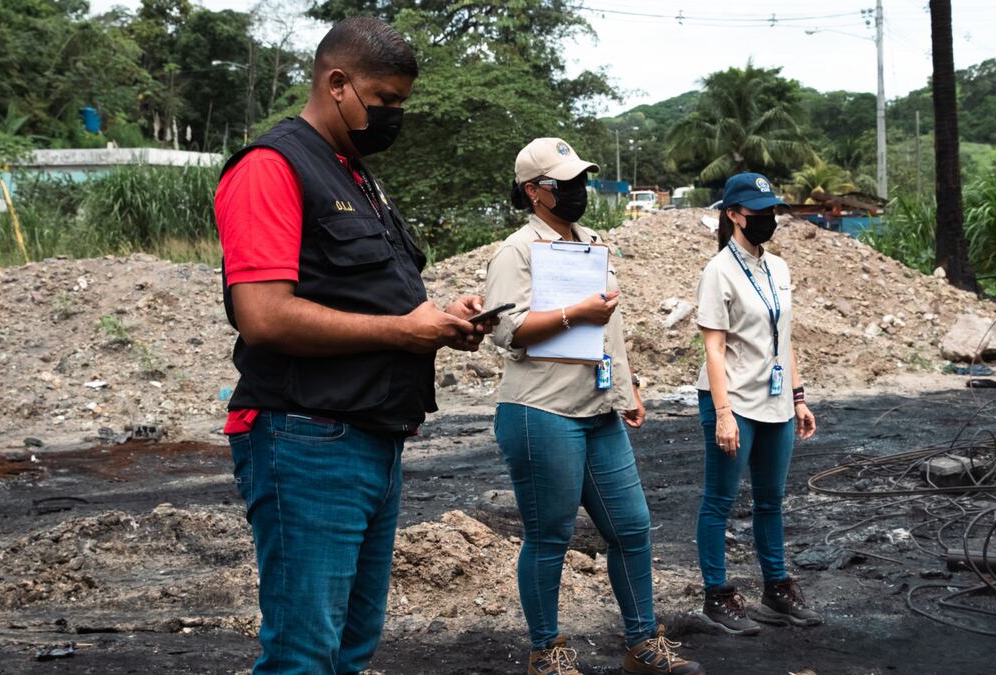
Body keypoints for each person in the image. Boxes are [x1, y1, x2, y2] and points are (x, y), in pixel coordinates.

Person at [214, 17, 493, 674]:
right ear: (337, 83)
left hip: (372, 436)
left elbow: (368, 296)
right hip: (307, 440)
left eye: (401, 104)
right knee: (304, 654)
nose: (393, 116)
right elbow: (263, 316)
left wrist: (439, 317)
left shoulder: (355, 175)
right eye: (384, 102)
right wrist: (405, 330)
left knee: (350, 649)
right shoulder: (271, 168)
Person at [484, 138, 703, 675]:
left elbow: (612, 331)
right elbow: (505, 331)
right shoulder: (515, 251)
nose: (579, 190)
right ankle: (546, 653)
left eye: (581, 178)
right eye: (566, 182)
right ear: (534, 192)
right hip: (541, 411)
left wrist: (627, 391)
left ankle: (641, 645)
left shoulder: (592, 242)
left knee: (631, 527)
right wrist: (574, 313)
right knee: (551, 535)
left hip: (597, 410)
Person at [693, 173, 822, 636]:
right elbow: (712, 348)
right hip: (733, 400)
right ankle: (718, 596)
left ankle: (776, 590)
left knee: (771, 500)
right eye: (757, 212)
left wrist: (799, 396)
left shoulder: (779, 269)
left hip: (777, 401)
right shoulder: (719, 271)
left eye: (771, 211)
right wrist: (723, 414)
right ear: (732, 215)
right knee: (720, 500)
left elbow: (784, 338)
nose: (767, 219)